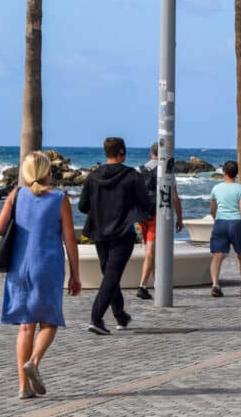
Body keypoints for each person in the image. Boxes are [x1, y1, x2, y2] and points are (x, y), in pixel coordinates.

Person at [0, 151, 81, 400]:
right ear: (46, 172)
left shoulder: (16, 194)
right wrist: (75, 274)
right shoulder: (59, 199)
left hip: (19, 266)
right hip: (47, 266)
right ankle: (33, 361)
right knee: (49, 321)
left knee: (25, 326)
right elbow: (70, 239)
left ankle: (23, 387)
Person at [78, 137, 152, 335]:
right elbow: (145, 204)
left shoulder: (93, 177)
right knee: (111, 276)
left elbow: (83, 206)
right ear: (122, 153)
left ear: (106, 153)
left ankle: (120, 316)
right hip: (123, 232)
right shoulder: (133, 176)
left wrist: (100, 208)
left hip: (99, 233)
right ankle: (96, 318)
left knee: (110, 275)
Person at [135, 142, 184, 300]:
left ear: (151, 153)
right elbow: (175, 198)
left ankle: (157, 284)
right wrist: (180, 219)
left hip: (142, 215)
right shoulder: (167, 172)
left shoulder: (140, 169)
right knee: (150, 252)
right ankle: (142, 285)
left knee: (150, 251)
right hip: (157, 215)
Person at [208, 160, 241, 297]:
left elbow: (212, 209)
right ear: (236, 173)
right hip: (237, 224)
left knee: (217, 255)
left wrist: (217, 220)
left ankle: (215, 285)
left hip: (220, 223)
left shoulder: (216, 188)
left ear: (224, 172)